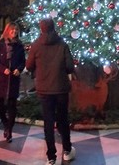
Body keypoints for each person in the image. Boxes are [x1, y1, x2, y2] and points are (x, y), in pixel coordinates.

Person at [26, 18, 76, 165]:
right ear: (54, 27)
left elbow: (28, 66)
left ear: (41, 29)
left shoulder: (36, 46)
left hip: (44, 89)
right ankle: (67, 150)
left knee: (48, 123)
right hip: (60, 88)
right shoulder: (62, 45)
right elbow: (70, 67)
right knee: (63, 119)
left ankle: (51, 156)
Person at [0, 22, 26, 142]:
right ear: (8, 31)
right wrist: (3, 69)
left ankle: (9, 131)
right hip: (1, 79)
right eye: (12, 30)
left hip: (13, 79)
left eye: (16, 30)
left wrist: (19, 69)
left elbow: (23, 61)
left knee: (12, 105)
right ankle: (5, 123)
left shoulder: (19, 46)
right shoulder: (0, 44)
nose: (14, 32)